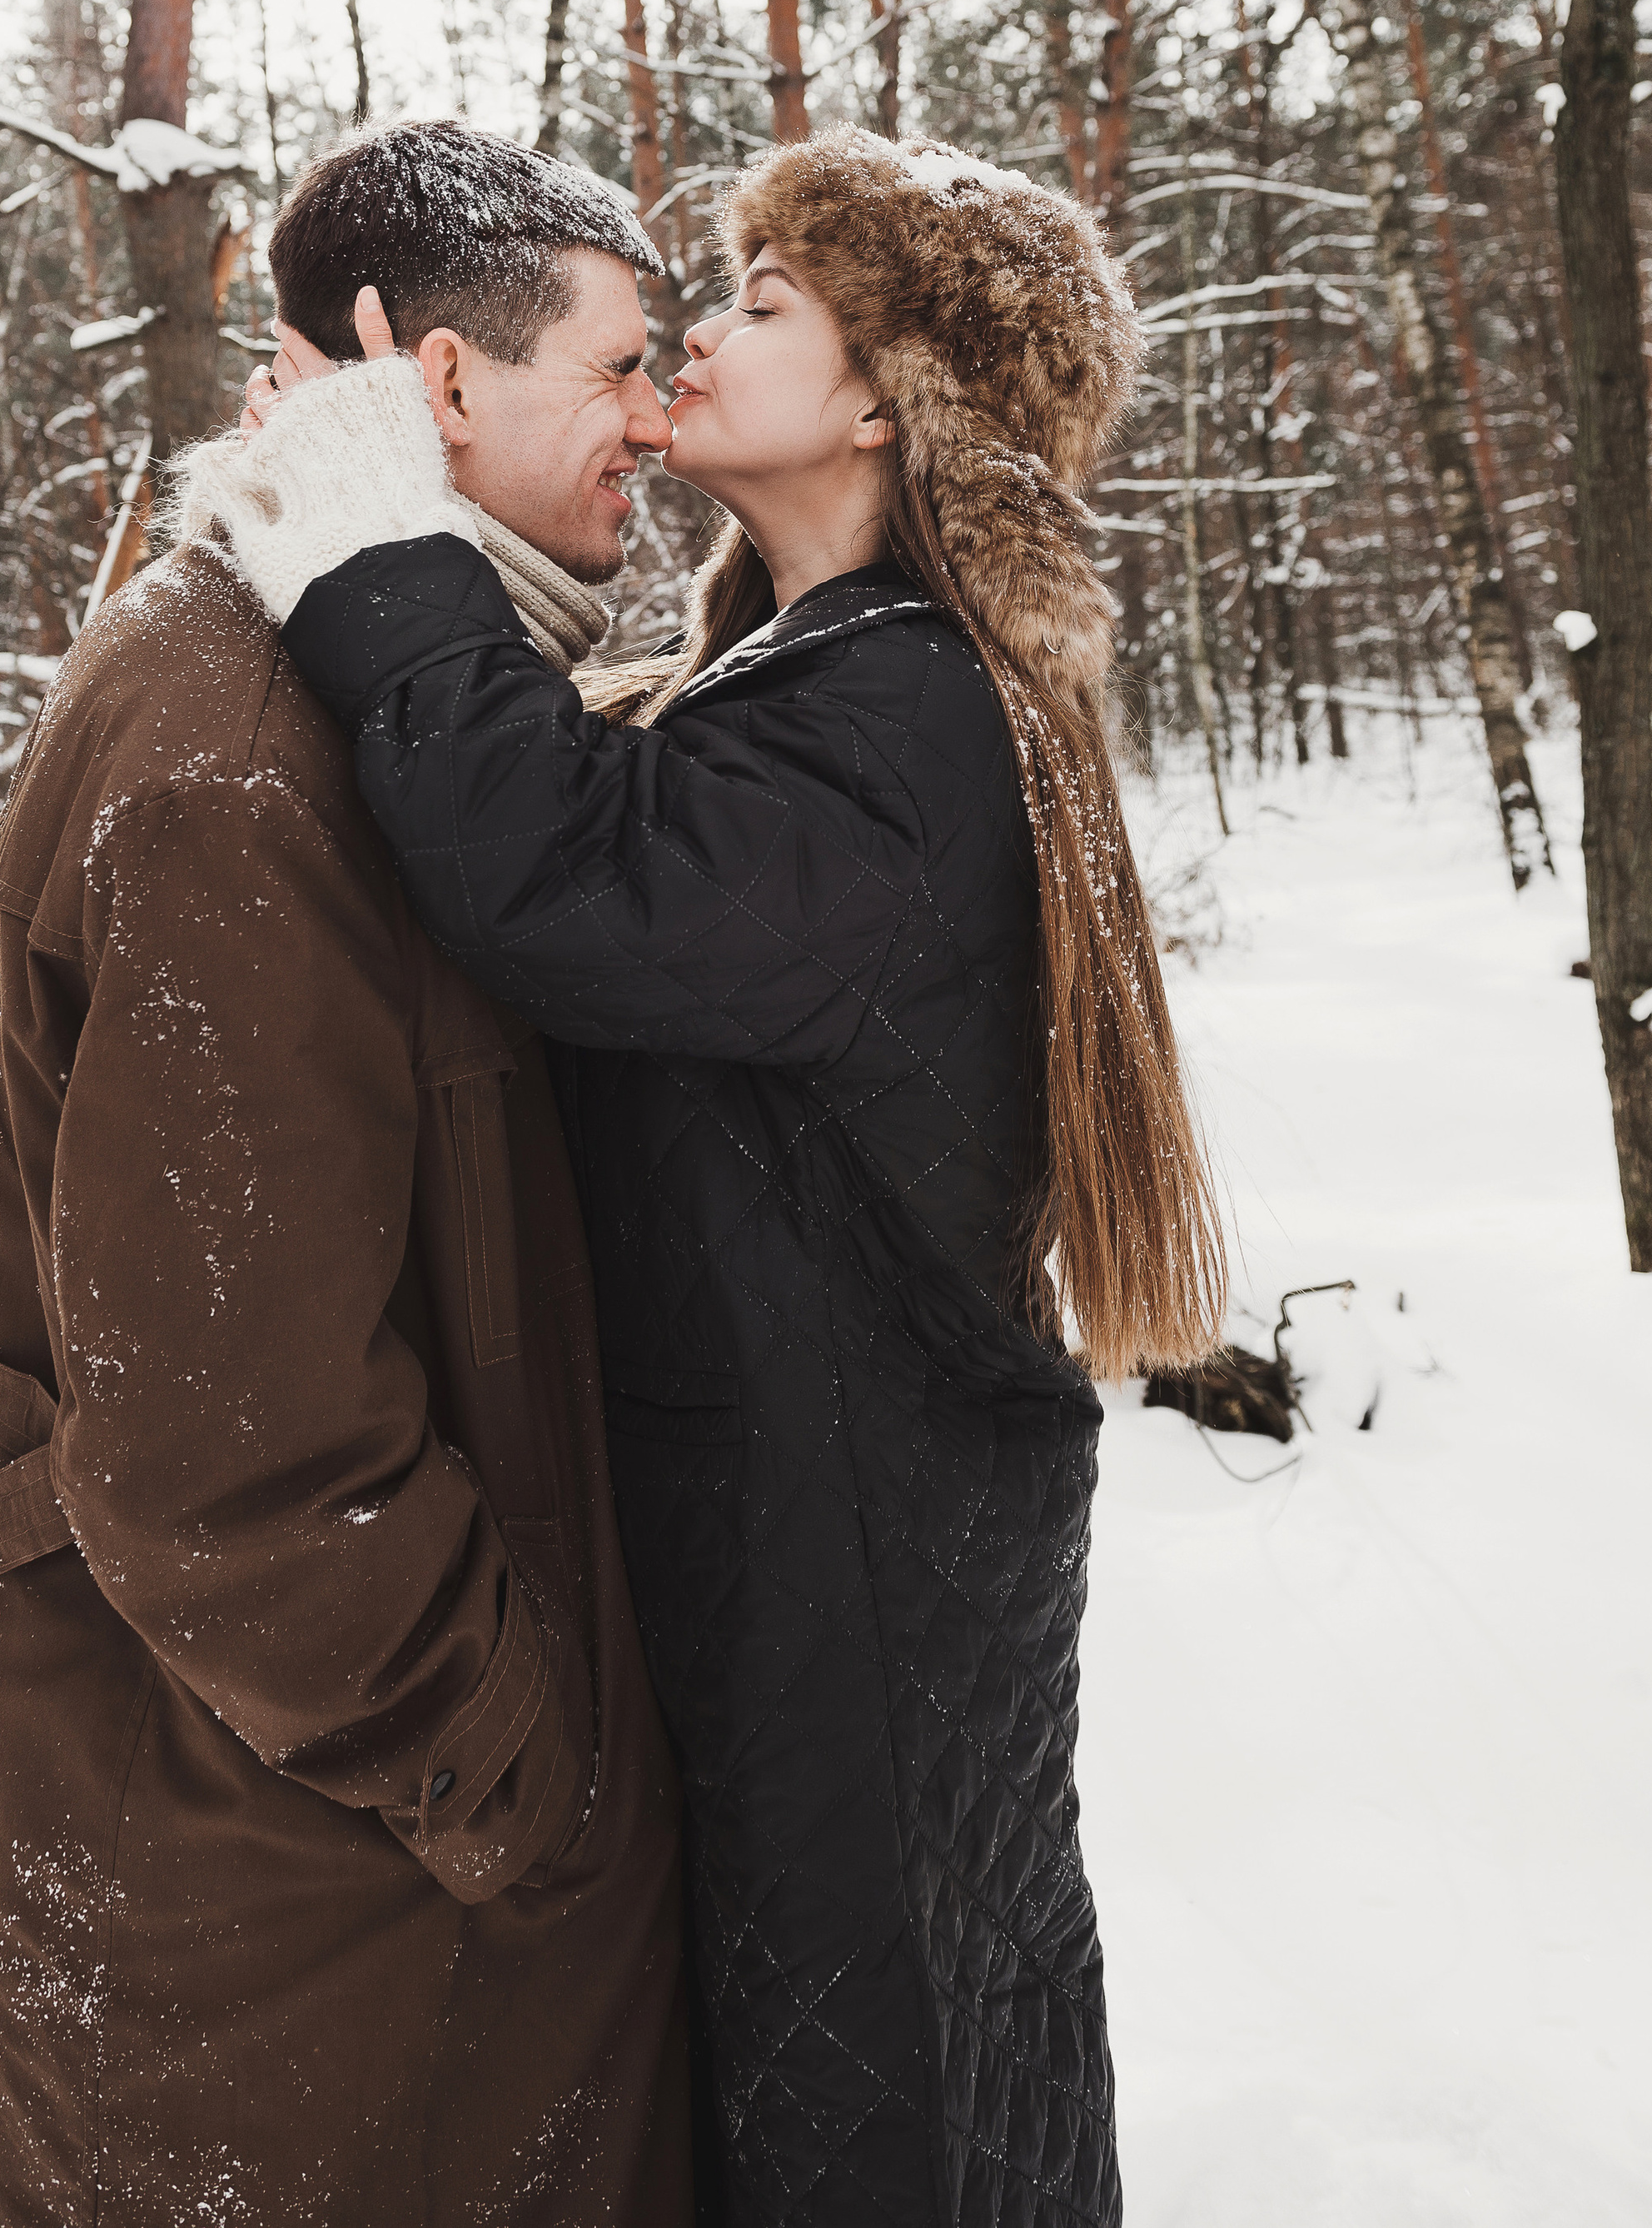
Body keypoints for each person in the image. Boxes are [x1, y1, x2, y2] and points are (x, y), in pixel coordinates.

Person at [211, 126, 1230, 2228]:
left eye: (764, 304)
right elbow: (597, 803)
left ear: (883, 397)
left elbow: (574, 879)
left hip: (853, 1566)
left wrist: (380, 540)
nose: (697, 328)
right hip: (821, 1523)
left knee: (888, 2102)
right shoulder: (814, 677)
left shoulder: (908, 712)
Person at [0, 126, 694, 2228]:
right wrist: (525, 1781)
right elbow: (235, 1448)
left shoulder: (342, 681)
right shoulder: (244, 745)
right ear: (436, 385)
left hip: (301, 1855)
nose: (655, 428)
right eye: (615, 367)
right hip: (291, 1909)